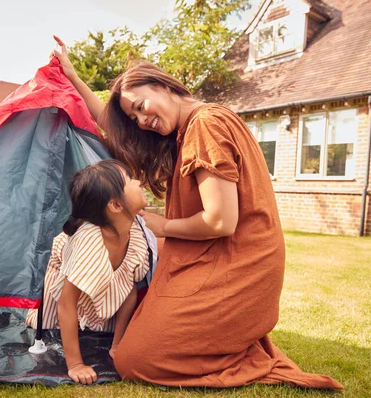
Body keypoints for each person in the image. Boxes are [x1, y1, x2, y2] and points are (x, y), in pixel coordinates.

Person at [50, 36, 343, 389]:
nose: (142, 120)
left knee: (134, 359)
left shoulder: (205, 125)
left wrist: (162, 225)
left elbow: (221, 221)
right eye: (135, 116)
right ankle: (228, 342)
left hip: (236, 265)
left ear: (162, 85)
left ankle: (248, 357)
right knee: (134, 344)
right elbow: (115, 127)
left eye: (142, 106)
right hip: (210, 259)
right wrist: (73, 77)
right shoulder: (187, 129)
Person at [26, 160, 152, 385]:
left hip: (102, 305)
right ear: (115, 205)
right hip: (62, 308)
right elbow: (66, 303)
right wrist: (75, 364)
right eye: (130, 180)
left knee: (98, 331)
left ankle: (103, 332)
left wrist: (117, 343)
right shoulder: (88, 242)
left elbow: (129, 289)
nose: (138, 181)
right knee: (49, 327)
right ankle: (39, 319)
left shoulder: (136, 234)